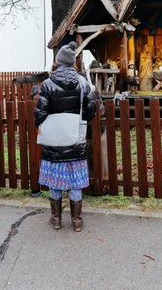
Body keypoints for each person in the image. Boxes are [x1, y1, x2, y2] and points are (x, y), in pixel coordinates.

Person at [34, 42, 98, 232]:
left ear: (58, 61)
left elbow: (39, 114)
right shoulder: (83, 82)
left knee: (55, 183)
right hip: (75, 141)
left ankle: (56, 220)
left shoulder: (47, 84)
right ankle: (77, 221)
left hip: (53, 144)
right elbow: (91, 109)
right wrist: (76, 119)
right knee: (75, 184)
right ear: (72, 63)